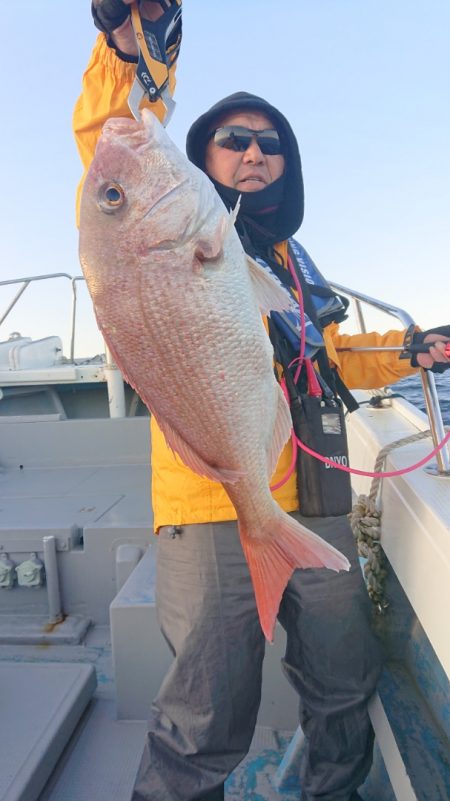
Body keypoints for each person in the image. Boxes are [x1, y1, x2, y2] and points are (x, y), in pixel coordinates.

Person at [74, 3, 450, 800]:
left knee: (345, 683)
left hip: (313, 500)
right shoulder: (173, 225)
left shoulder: (286, 257)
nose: (253, 153)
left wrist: (406, 352)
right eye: (234, 140)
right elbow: (111, 139)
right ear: (201, 153)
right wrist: (127, 47)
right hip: (215, 496)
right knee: (205, 717)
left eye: (270, 144)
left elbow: (325, 355)